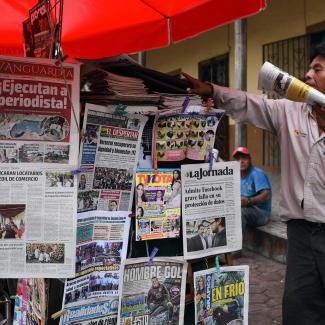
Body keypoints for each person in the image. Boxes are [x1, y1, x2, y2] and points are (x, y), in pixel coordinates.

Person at [183, 42, 325, 324]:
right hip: (300, 233)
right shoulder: (290, 111)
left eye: (317, 69)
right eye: (309, 68)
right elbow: (249, 103)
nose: (308, 74)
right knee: (299, 308)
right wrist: (212, 91)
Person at [232, 146, 272, 232]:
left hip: (261, 213)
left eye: (244, 158)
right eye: (238, 159)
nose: (241, 162)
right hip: (246, 209)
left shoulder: (257, 173)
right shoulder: (236, 175)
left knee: (239, 213)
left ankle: (237, 243)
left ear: (250, 160)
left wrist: (249, 201)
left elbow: (266, 195)